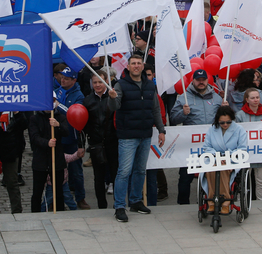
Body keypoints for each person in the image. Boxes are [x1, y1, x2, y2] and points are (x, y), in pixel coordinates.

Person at [107, 53, 166, 222]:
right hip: (127, 136)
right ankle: (119, 206)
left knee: (140, 170)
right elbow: (114, 106)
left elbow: (155, 109)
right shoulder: (121, 85)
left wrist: (161, 130)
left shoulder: (149, 85)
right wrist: (112, 98)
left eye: (139, 63)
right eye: (133, 63)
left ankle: (135, 201)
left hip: (145, 134)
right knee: (124, 172)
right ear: (128, 66)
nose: (136, 66)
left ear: (142, 66)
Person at [170, 69, 224, 204]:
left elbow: (226, 121)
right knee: (185, 177)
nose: (201, 82)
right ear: (193, 81)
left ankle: (210, 203)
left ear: (207, 80)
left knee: (211, 176)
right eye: (198, 80)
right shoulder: (183, 97)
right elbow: (173, 119)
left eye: (203, 80)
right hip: (191, 147)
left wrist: (226, 110)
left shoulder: (217, 98)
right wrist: (183, 113)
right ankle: (182, 204)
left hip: (211, 146)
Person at [201, 105, 248, 214]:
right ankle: (211, 201)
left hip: (232, 159)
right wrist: (217, 156)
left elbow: (242, 148)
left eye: (228, 122)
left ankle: (226, 201)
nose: (225, 124)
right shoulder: (212, 129)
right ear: (218, 121)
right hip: (214, 159)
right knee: (210, 170)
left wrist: (227, 157)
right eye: (222, 123)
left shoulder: (239, 130)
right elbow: (207, 147)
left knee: (223, 169)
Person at [55, 67, 89, 210]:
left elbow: (74, 113)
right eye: (62, 77)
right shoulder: (58, 91)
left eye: (66, 78)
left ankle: (80, 198)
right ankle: (58, 198)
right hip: (58, 138)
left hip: (72, 138)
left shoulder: (79, 96)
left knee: (76, 171)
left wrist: (58, 105)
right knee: (57, 170)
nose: (62, 80)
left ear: (74, 80)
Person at [83, 70, 118, 209]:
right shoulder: (87, 100)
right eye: (95, 82)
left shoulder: (112, 97)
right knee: (98, 177)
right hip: (96, 143)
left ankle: (118, 203)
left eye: (100, 82)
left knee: (116, 175)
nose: (97, 85)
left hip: (112, 141)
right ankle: (101, 205)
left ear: (107, 82)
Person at [235, 87, 262, 200]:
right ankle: (244, 201)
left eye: (257, 97)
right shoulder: (240, 115)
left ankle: (261, 202)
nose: (255, 100)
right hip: (246, 154)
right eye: (252, 98)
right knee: (244, 180)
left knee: (261, 181)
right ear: (247, 99)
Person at [29, 109, 68, 212]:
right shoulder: (35, 118)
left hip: (56, 160)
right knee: (37, 192)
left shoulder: (60, 117)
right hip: (40, 161)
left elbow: (67, 132)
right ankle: (35, 214)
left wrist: (58, 125)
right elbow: (34, 137)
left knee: (59, 191)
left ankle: (59, 213)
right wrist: (47, 143)